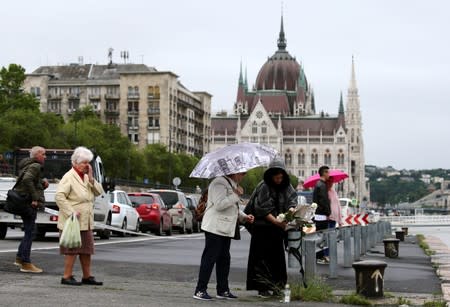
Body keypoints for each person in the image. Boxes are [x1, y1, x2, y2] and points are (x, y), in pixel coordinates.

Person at [193, 172, 254, 301]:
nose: (243, 176)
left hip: (224, 228)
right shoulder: (219, 183)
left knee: (224, 260)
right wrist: (236, 194)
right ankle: (200, 290)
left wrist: (244, 217)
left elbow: (232, 207)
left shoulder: (231, 184)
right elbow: (220, 204)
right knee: (209, 258)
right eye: (242, 174)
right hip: (214, 227)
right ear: (234, 172)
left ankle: (223, 290)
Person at [246, 158, 297, 298]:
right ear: (270, 175)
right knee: (261, 258)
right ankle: (262, 287)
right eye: (276, 177)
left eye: (281, 177)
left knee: (277, 258)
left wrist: (291, 210)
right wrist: (277, 222)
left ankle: (278, 286)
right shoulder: (264, 186)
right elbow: (262, 208)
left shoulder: (287, 185)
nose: (279, 180)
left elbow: (292, 199)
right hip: (262, 227)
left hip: (276, 228)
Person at [55, 146, 104, 286]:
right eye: (84, 162)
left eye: (88, 162)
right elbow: (59, 196)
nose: (87, 165)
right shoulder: (69, 176)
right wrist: (71, 212)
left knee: (87, 250)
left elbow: (99, 192)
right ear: (75, 162)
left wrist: (92, 178)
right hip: (73, 221)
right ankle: (66, 276)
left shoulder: (87, 176)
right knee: (72, 249)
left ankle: (87, 276)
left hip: (86, 221)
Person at [14, 146, 48, 273]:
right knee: (31, 232)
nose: (45, 157)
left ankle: (19, 258)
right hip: (29, 203)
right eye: (43, 154)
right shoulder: (36, 166)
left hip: (24, 201)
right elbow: (27, 179)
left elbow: (30, 182)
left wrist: (42, 185)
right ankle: (26, 263)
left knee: (29, 231)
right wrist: (35, 198)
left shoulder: (27, 165)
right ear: (37, 155)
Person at [313, 165, 331, 264]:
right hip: (322, 215)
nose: (329, 174)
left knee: (320, 236)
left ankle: (320, 256)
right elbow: (324, 201)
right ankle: (319, 257)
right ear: (324, 173)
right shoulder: (322, 185)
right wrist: (328, 212)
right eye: (328, 172)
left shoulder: (318, 184)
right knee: (321, 237)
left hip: (318, 214)